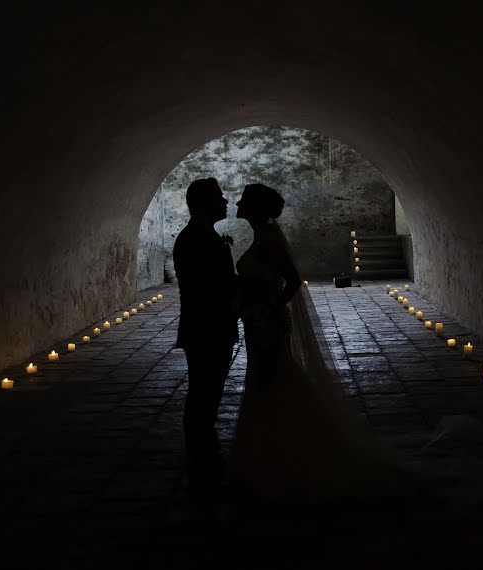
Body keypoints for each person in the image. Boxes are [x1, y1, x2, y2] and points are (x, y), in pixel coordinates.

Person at [232, 183, 414, 503]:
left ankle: (280, 459)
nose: (237, 202)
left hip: (266, 323)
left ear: (256, 207)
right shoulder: (264, 236)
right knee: (265, 382)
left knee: (271, 380)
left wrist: (270, 308)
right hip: (257, 320)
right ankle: (270, 455)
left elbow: (291, 279)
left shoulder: (270, 238)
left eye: (244, 199)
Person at [173, 177, 239, 500]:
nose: (226, 202)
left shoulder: (204, 236)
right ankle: (200, 455)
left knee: (209, 392)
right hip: (205, 329)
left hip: (214, 327)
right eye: (219, 197)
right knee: (203, 391)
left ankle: (205, 449)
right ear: (203, 203)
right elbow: (204, 289)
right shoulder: (192, 240)